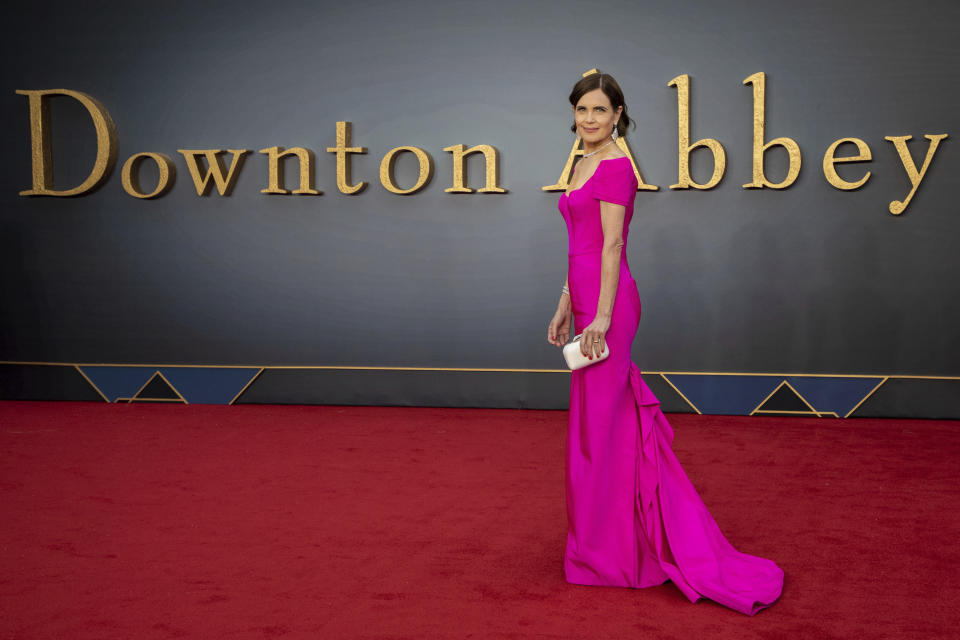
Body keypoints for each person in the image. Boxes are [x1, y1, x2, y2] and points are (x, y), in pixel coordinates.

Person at [547, 70, 784, 616]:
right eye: (582, 109)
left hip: (611, 306)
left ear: (618, 115)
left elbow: (612, 246)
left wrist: (602, 318)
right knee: (596, 429)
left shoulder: (616, 167)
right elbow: (576, 244)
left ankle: (619, 553)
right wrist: (566, 299)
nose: (589, 119)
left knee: (606, 429)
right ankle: (604, 544)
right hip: (584, 297)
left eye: (600, 111)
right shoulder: (581, 161)